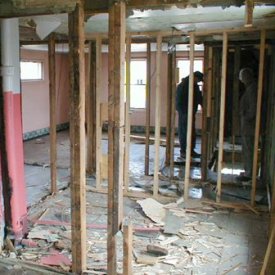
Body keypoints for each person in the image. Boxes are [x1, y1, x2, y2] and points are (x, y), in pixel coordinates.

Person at [176, 71, 203, 159]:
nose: (198, 82)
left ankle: (190, 151)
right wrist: (184, 112)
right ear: (194, 77)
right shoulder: (183, 86)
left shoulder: (193, 86)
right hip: (185, 113)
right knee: (184, 132)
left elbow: (198, 98)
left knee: (191, 132)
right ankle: (183, 151)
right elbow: (178, 101)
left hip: (190, 112)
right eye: (198, 80)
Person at [237, 67, 257, 181]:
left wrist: (245, 116)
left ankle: (250, 174)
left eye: (242, 77)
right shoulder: (250, 88)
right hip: (248, 126)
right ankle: (248, 172)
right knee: (247, 149)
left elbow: (253, 110)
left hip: (250, 126)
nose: (242, 80)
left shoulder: (252, 89)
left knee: (249, 150)